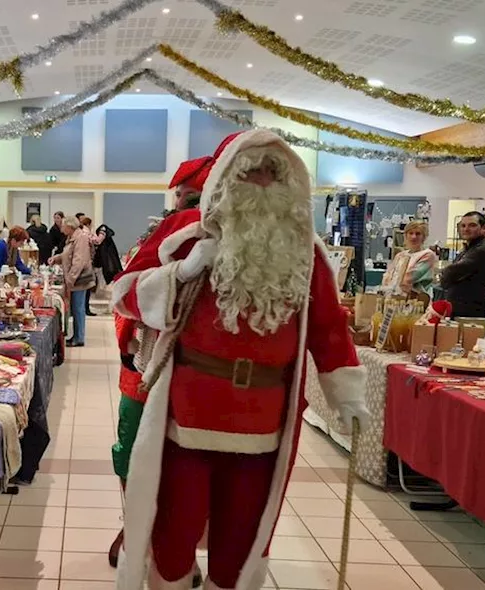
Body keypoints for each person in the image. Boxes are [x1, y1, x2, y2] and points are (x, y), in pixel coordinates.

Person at [109, 130, 365, 589]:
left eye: (272, 173)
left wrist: (345, 393)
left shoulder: (305, 254)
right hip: (184, 420)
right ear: (226, 179)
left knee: (241, 545)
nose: (261, 182)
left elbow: (329, 327)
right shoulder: (183, 235)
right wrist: (181, 273)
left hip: (263, 429)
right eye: (250, 172)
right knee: (172, 536)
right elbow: (124, 295)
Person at [108, 154, 214, 570]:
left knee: (185, 463)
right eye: (186, 198)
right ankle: (138, 527)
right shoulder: (157, 241)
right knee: (134, 451)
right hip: (146, 375)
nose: (189, 208)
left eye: (196, 198)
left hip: (192, 383)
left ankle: (174, 542)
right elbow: (126, 302)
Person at [440, 211, 485, 319]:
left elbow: (450, 273)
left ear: (483, 228)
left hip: (469, 313)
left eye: (472, 225)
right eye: (463, 226)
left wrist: (445, 275)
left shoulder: (483, 249)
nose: (466, 229)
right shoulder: (470, 248)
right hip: (459, 310)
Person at [59, 216, 95, 346]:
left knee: (78, 309)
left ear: (69, 227)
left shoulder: (80, 238)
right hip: (75, 279)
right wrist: (57, 258)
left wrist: (70, 279)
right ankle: (76, 335)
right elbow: (68, 255)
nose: (61, 228)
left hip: (80, 279)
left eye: (63, 225)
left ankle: (79, 338)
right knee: (75, 308)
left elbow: (78, 261)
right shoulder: (72, 238)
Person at [381, 220, 439, 299]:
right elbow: (388, 275)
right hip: (394, 298)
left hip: (416, 300)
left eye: (418, 234)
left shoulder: (428, 255)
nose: (413, 236)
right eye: (410, 233)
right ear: (406, 235)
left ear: (424, 237)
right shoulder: (400, 255)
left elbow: (409, 278)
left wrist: (396, 283)